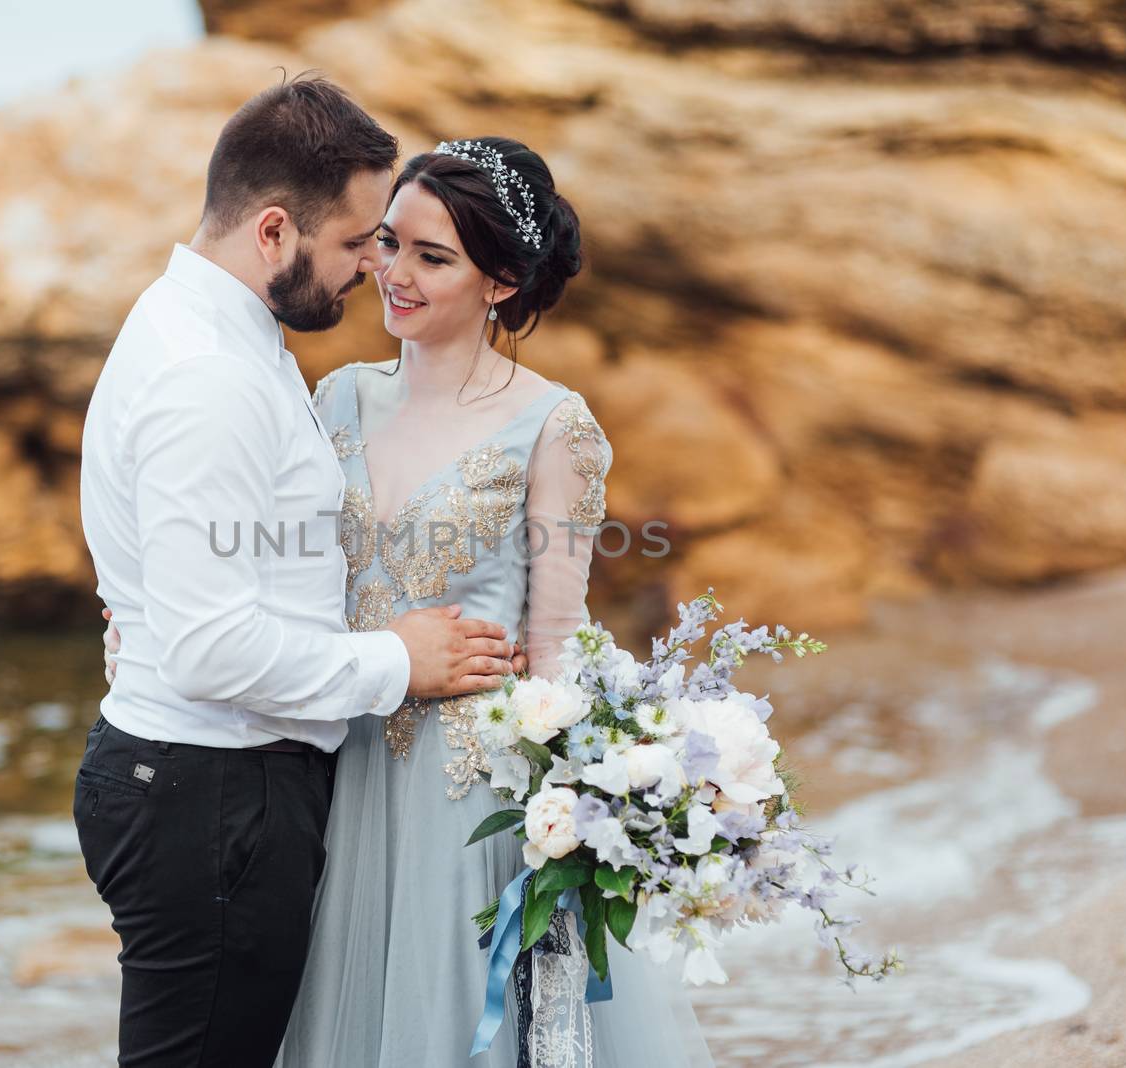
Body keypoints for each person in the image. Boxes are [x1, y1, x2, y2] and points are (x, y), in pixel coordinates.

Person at [107, 135, 715, 1065]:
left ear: (501, 283)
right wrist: (152, 621)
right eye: (387, 243)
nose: (392, 273)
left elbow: (558, 639)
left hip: (468, 797)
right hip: (336, 765)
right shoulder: (336, 397)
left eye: (433, 258)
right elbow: (265, 559)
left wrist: (579, 810)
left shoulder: (555, 426)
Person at [75, 76, 527, 1068]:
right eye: (359, 240)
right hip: (213, 797)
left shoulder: (209, 333)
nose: (374, 265)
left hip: (200, 782)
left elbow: (207, 573)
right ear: (274, 231)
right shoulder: (213, 381)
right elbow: (209, 649)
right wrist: (396, 662)